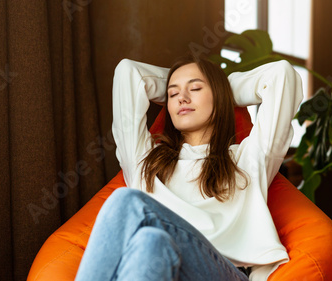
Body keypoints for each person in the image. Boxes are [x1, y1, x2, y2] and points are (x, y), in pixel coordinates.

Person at [74, 54, 303, 281]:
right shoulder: (146, 161)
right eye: (173, 94)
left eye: (194, 89)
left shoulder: (249, 158)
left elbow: (281, 76)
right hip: (167, 267)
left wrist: (222, 87)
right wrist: (189, 87)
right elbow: (128, 73)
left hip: (224, 273)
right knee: (151, 242)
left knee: (127, 201)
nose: (181, 98)